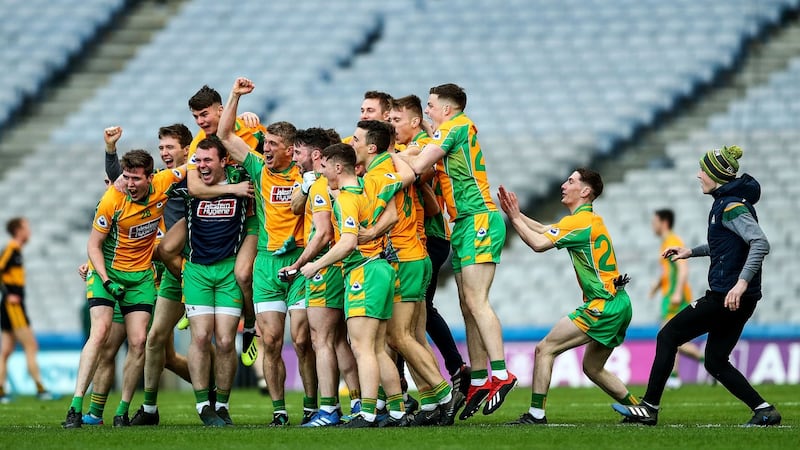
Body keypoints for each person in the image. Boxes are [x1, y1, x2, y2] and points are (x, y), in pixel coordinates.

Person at [613, 145, 781, 426]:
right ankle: (764, 410)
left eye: (703, 170)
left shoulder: (731, 207)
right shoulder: (725, 203)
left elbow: (759, 242)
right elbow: (725, 244)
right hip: (738, 298)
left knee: (668, 336)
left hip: (726, 296)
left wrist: (740, 284)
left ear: (717, 175)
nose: (698, 175)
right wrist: (691, 251)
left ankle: (649, 407)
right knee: (715, 361)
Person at [405, 83, 515, 420]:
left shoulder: (454, 128)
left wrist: (390, 156)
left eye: (431, 105)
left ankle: (501, 374)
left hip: (479, 218)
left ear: (447, 109)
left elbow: (418, 164)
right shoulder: (452, 129)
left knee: (477, 300)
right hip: (465, 222)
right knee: (468, 304)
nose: (428, 111)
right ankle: (479, 378)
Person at [497, 170, 639, 425]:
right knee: (592, 368)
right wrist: (517, 215)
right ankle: (640, 410)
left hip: (603, 305)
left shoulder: (578, 223)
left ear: (585, 191)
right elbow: (543, 229)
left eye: (571, 181)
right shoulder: (586, 220)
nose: (564, 185)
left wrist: (515, 218)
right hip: (619, 302)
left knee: (545, 349)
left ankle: (536, 415)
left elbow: (538, 244)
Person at [217, 77, 317, 426]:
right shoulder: (259, 168)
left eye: (274, 144)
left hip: (302, 261)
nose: (267, 148)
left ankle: (312, 405)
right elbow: (225, 136)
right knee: (272, 341)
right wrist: (234, 97)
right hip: (267, 265)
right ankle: (278, 410)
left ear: (291, 149)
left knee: (303, 340)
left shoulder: (306, 174)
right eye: (267, 142)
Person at [62, 149, 185, 428]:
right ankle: (75, 406)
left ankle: (122, 411)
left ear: (150, 178)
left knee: (139, 342)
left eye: (135, 178)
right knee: (101, 333)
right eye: (126, 177)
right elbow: (93, 245)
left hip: (140, 277)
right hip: (107, 274)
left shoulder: (164, 182)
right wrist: (104, 279)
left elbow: (195, 165)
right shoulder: (111, 200)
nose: (129, 183)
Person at [353, 120, 462, 426]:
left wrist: (370, 231)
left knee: (398, 336)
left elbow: (391, 206)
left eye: (357, 139)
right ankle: (429, 402)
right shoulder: (391, 165)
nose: (352, 143)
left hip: (404, 258)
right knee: (411, 335)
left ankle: (442, 394)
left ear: (372, 147)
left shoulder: (380, 172)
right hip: (415, 254)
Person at [299, 143, 412, 427]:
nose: (321, 173)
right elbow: (395, 210)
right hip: (382, 268)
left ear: (338, 167)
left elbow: (348, 242)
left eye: (324, 167)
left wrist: (316, 265)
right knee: (376, 347)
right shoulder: (370, 185)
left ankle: (368, 413)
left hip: (363, 271)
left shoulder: (347, 199)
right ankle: (397, 411)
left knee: (363, 348)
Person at [102, 124, 194, 426]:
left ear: (186, 149)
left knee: (192, 342)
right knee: (161, 351)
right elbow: (127, 179)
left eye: (170, 148)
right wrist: (111, 151)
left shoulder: (194, 173)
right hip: (156, 271)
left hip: (189, 267)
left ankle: (213, 394)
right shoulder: (157, 181)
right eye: (162, 148)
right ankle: (210, 390)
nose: (165, 153)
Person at [389, 95, 470, 396]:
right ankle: (429, 385)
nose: (391, 125)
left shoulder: (425, 146)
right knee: (410, 320)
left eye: (395, 120)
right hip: (417, 240)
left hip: (428, 238)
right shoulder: (416, 142)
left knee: (413, 319)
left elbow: (425, 191)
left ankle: (443, 381)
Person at [283, 127, 361, 427]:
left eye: (298, 152)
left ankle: (328, 409)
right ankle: (357, 402)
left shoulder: (320, 187)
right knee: (340, 340)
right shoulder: (331, 184)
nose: (294, 157)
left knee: (322, 340)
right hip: (343, 267)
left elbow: (324, 233)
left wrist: (301, 263)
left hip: (325, 269)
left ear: (316, 155)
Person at [178, 137, 251, 426]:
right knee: (199, 337)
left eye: (208, 160)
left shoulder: (242, 177)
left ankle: (221, 403)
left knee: (224, 341)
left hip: (228, 269)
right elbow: (193, 187)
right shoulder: (191, 180)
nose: (202, 165)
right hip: (197, 269)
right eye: (199, 160)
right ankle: (202, 405)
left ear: (224, 161)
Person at [0, 217, 53, 403]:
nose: (29, 231)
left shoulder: (16, 249)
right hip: (13, 304)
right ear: (18, 230)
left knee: (6, 350)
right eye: (26, 227)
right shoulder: (11, 248)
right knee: (31, 345)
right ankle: (41, 388)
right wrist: (7, 294)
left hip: (12, 304)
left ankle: (1, 391)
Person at [649, 209, 704, 389]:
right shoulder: (665, 242)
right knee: (670, 336)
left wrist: (678, 292)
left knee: (667, 335)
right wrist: (656, 286)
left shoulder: (673, 241)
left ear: (664, 222)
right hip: (669, 295)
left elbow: (683, 269)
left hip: (675, 297)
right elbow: (667, 271)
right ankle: (676, 374)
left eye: (655, 221)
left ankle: (678, 374)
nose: (653, 225)